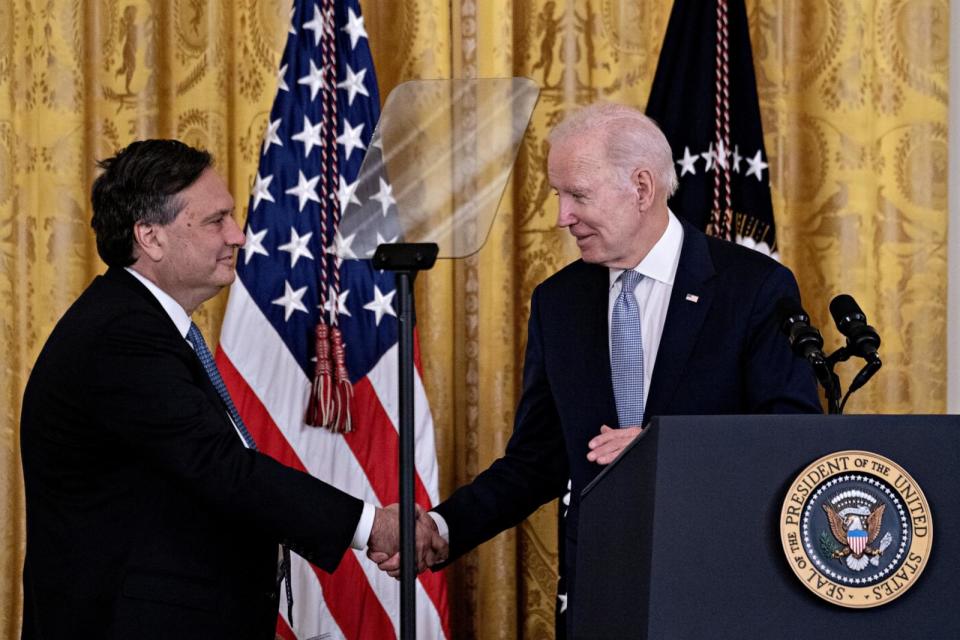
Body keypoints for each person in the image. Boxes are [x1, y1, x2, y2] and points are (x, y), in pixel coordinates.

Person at [374, 103, 821, 623]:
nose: (562, 216)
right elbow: (536, 461)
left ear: (642, 187)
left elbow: (791, 440)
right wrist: (441, 527)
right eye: (559, 196)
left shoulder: (754, 287)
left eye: (578, 195)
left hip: (720, 588)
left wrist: (667, 451)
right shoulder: (558, 302)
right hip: (600, 595)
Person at [19, 140, 443, 639]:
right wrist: (373, 526)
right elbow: (222, 467)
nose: (238, 236)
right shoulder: (121, 335)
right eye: (216, 221)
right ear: (150, 237)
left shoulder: (140, 323)